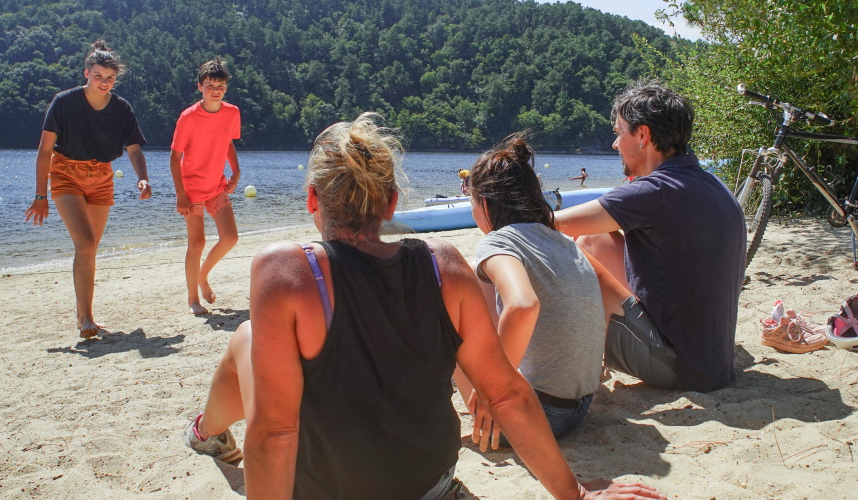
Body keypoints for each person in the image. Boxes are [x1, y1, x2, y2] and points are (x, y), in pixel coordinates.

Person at [181, 113, 666, 500]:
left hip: (329, 489)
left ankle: (207, 433)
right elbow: (507, 395)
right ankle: (207, 431)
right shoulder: (444, 265)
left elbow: (274, 434)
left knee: (246, 339)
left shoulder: (284, 272)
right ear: (392, 203)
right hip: (429, 487)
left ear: (312, 199)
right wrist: (575, 494)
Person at [555, 80, 746, 393]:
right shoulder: (713, 185)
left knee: (573, 249)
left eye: (619, 133)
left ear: (643, 135)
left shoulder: (653, 192)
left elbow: (552, 224)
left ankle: (580, 365)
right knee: (594, 241)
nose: (615, 144)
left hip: (677, 369)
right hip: (715, 364)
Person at [453, 134, 607, 451]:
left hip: (536, 416)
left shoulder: (499, 242)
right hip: (579, 407)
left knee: (446, 302)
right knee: (476, 276)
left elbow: (523, 306)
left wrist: (494, 388)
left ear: (483, 203)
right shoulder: (560, 240)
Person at [24, 40, 152, 338]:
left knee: (90, 248)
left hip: (102, 177)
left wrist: (143, 177)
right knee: (84, 242)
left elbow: (134, 149)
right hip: (66, 173)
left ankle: (86, 314)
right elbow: (44, 151)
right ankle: (85, 319)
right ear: (86, 73)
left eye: (110, 78)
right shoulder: (64, 102)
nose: (104, 83)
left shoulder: (121, 109)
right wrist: (40, 196)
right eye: (98, 76)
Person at [169, 58, 242, 315]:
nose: (215, 90)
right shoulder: (188, 118)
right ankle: (192, 300)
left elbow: (229, 143)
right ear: (200, 86)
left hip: (216, 186)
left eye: (220, 85)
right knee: (197, 243)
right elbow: (174, 157)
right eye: (210, 85)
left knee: (231, 237)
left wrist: (236, 170)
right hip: (191, 190)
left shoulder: (232, 112)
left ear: (226, 88)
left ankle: (202, 276)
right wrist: (180, 194)